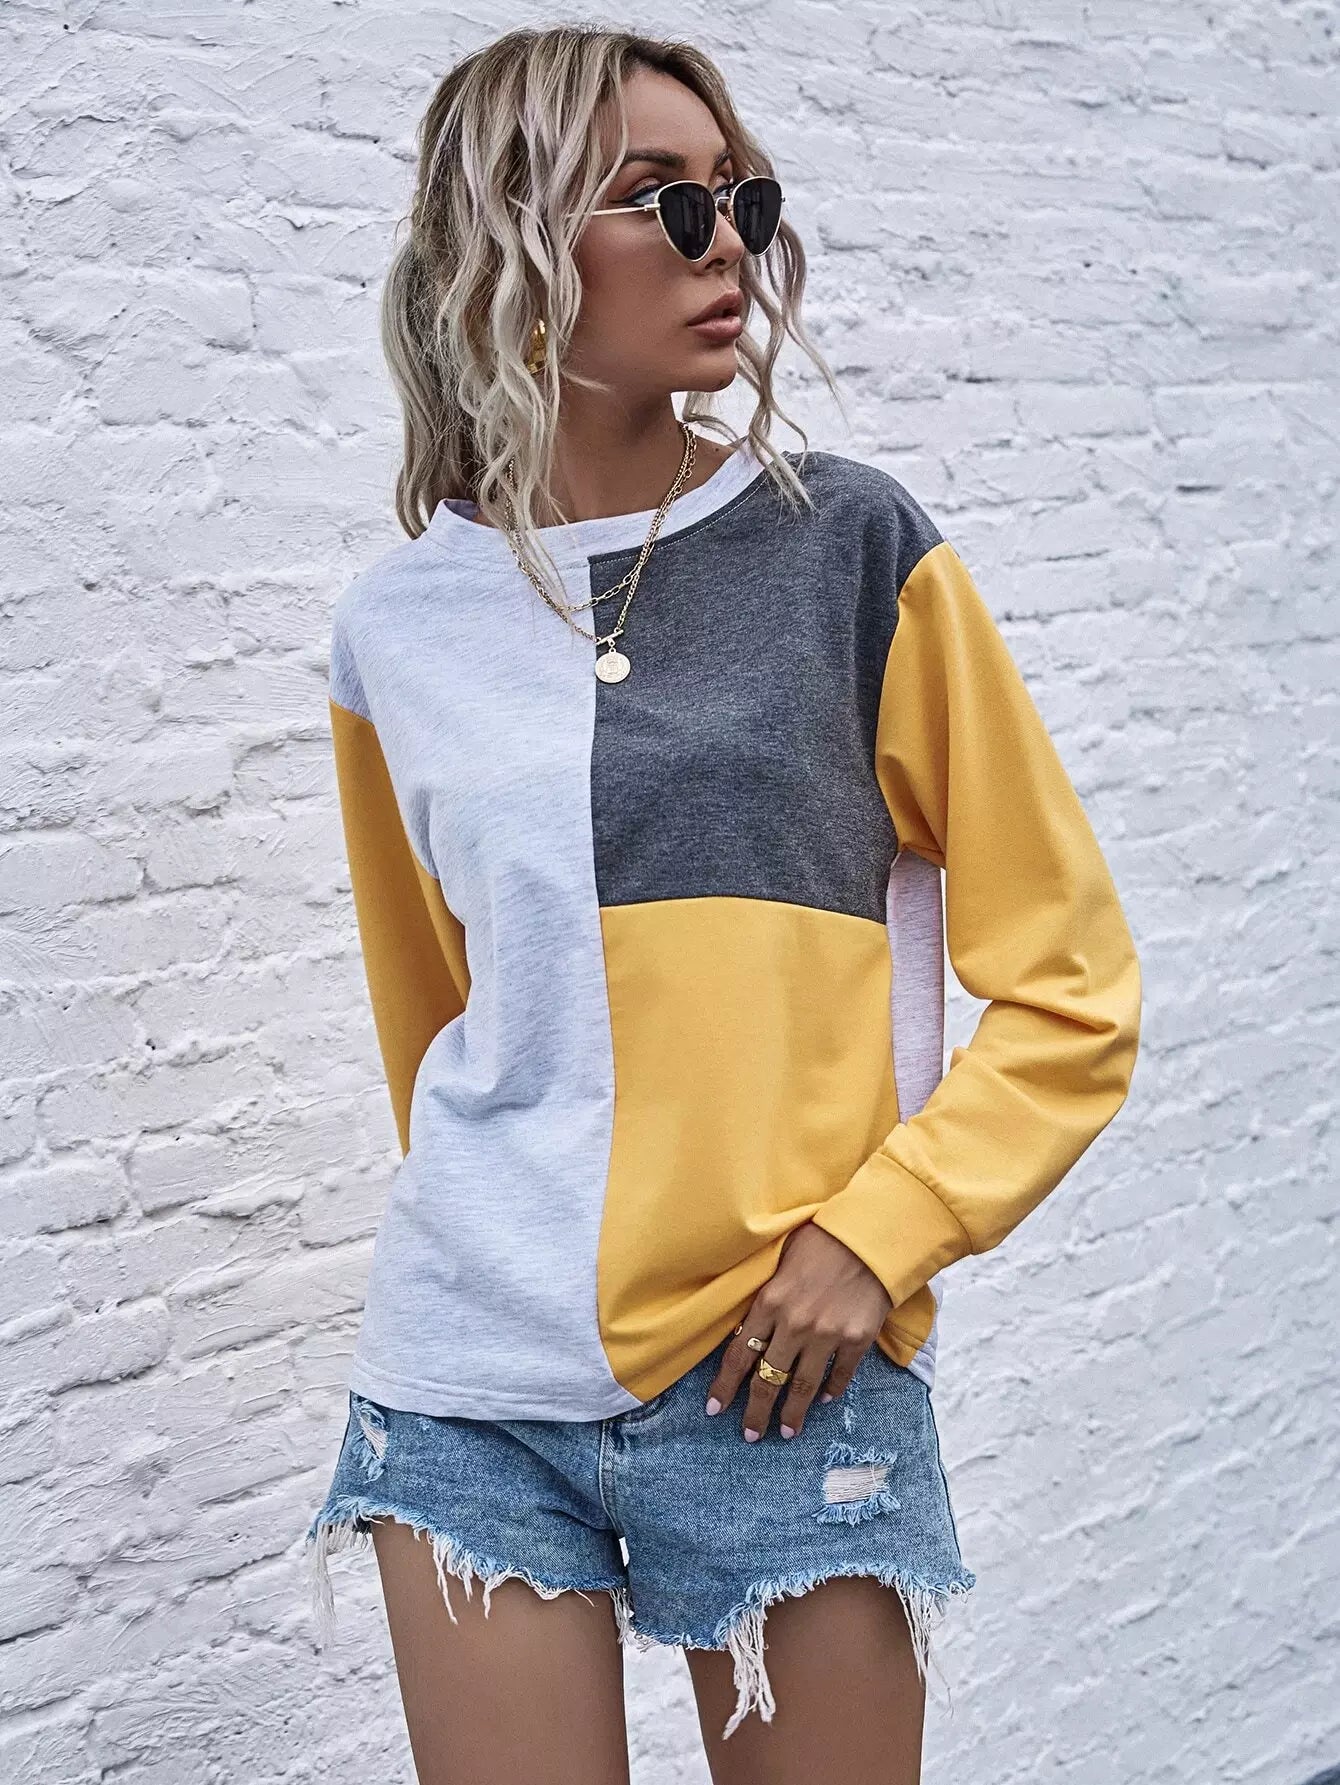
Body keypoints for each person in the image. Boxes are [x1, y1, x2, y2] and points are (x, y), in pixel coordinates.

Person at [302, 23, 1142, 1785]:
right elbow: (434, 1028)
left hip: (787, 1368)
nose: (726, 243)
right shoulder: (399, 629)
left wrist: (880, 1237)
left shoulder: (854, 549)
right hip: (467, 1386)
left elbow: (1073, 991)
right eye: (661, 200)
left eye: (741, 199)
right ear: (511, 233)